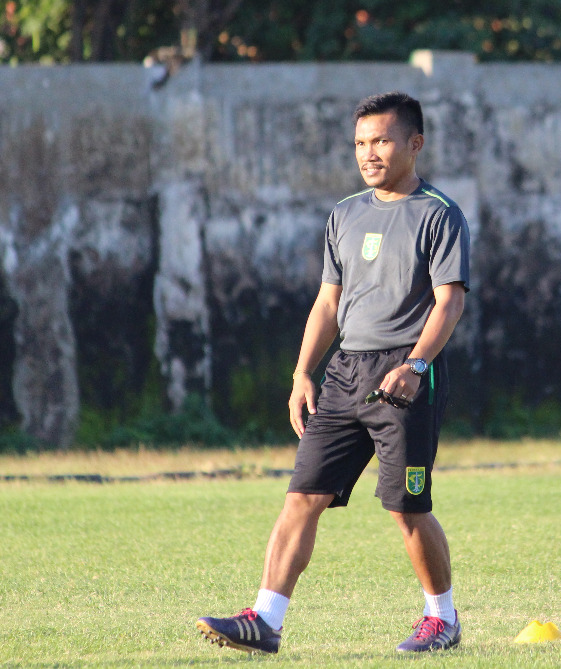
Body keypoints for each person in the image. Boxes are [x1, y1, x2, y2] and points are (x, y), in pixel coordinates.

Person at [198, 91, 471, 655]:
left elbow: (449, 302)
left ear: (414, 144)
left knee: (406, 507)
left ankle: (441, 619)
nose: (369, 153)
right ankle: (265, 620)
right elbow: (328, 302)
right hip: (346, 373)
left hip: (405, 376)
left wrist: (416, 365)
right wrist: (303, 373)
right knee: (303, 495)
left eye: (382, 141)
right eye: (360, 143)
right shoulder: (344, 214)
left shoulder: (439, 214)